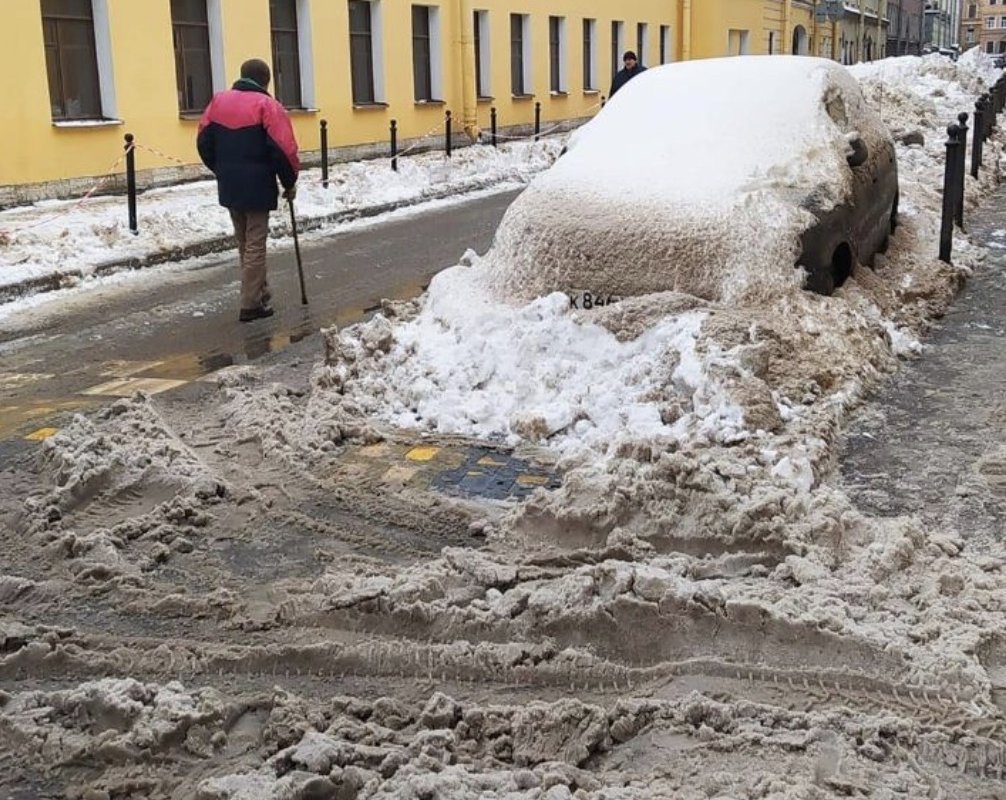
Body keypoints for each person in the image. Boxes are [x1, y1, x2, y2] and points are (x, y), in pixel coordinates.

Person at [197, 59, 300, 322]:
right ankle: (250, 304)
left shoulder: (218, 102)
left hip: (230, 184)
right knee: (255, 245)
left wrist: (221, 169)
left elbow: (203, 141)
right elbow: (284, 149)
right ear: (266, 81)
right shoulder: (267, 106)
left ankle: (260, 294)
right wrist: (289, 182)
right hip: (258, 185)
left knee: (244, 242)